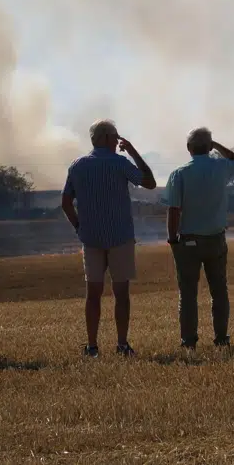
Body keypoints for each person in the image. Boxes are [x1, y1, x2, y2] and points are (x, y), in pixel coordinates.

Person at [61, 119, 157, 358]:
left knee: (92, 294)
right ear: (106, 138)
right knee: (121, 294)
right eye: (115, 137)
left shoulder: (77, 165)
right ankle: (122, 345)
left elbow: (65, 202)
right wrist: (133, 151)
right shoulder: (120, 163)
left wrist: (79, 227)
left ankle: (92, 346)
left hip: (90, 238)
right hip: (120, 236)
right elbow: (150, 182)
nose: (117, 141)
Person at [162, 127, 234, 350]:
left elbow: (174, 210)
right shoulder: (221, 167)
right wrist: (216, 146)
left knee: (188, 294)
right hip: (216, 239)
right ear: (209, 147)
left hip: (188, 241)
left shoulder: (179, 173)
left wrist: (172, 239)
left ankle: (188, 342)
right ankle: (221, 338)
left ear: (188, 149)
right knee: (219, 291)